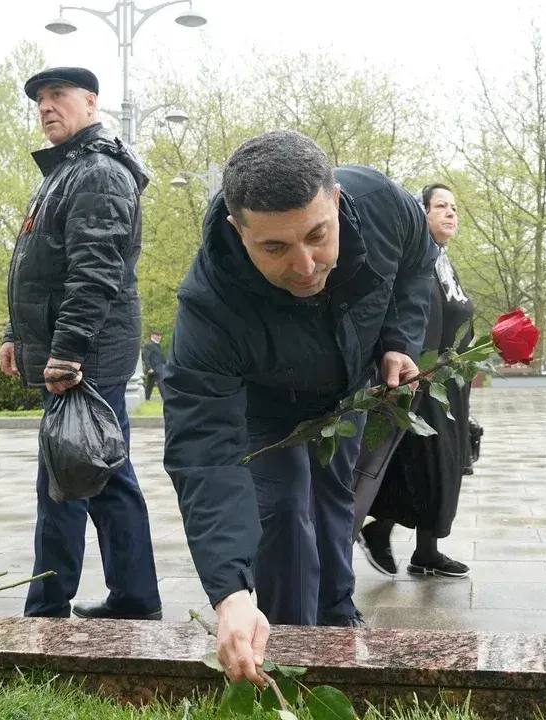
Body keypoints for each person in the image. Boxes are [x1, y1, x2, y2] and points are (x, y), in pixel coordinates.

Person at [162, 130, 437, 684]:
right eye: (275, 248)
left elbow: (417, 264)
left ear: (336, 200)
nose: (306, 266)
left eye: (317, 236)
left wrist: (397, 341)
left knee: (334, 500)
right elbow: (205, 451)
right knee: (284, 509)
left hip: (345, 389)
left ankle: (336, 620)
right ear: (238, 231)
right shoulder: (209, 308)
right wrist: (230, 592)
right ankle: (287, 652)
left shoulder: (383, 204)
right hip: (265, 405)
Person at [0, 66, 161, 620]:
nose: (46, 106)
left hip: (88, 355)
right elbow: (39, 269)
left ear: (91, 102)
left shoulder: (97, 172)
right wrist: (16, 334)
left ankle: (58, 607)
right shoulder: (66, 171)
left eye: (58, 95)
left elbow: (95, 272)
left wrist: (66, 352)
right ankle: (116, 599)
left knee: (84, 477)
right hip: (74, 351)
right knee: (83, 476)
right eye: (40, 99)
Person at [353, 183, 474, 580]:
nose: (451, 213)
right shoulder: (414, 262)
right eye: (441, 206)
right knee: (423, 464)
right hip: (417, 376)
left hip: (449, 382)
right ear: (421, 213)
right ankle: (377, 530)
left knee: (444, 467)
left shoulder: (445, 264)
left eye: (454, 207)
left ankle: (425, 551)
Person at [141, 331, 167, 400]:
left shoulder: (158, 345)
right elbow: (145, 357)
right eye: (157, 335)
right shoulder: (149, 345)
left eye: (160, 335)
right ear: (152, 336)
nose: (159, 337)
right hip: (154, 368)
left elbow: (161, 358)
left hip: (159, 367)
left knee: (150, 384)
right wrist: (149, 368)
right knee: (161, 382)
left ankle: (146, 398)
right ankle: (166, 399)